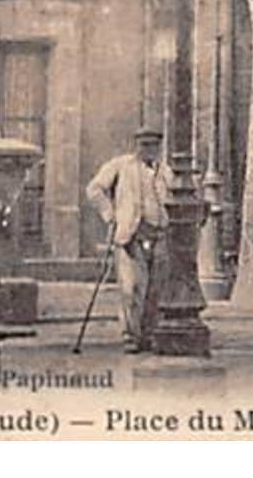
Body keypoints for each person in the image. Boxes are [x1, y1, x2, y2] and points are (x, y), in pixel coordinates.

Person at [85, 128, 171, 354]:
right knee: (132, 287)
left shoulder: (166, 171)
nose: (148, 149)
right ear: (136, 145)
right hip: (131, 235)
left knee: (156, 289)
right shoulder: (121, 166)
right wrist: (110, 215)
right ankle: (130, 335)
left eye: (153, 145)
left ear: (159, 147)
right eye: (144, 145)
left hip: (160, 234)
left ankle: (149, 334)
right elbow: (94, 190)